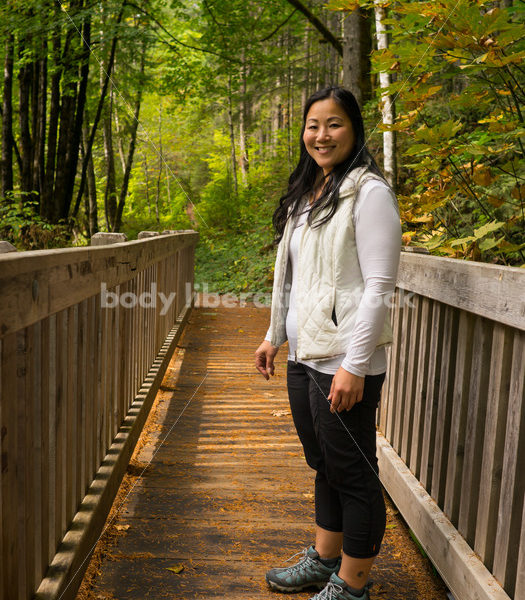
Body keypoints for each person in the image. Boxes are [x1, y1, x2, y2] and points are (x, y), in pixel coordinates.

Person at [254, 86, 402, 600]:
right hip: (305, 351)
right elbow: (294, 277)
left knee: (355, 471)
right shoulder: (310, 191)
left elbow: (380, 285)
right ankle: (324, 558)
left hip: (345, 355)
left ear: (355, 129)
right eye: (313, 125)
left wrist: (355, 365)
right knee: (325, 463)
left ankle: (353, 584)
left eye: (334, 124)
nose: (322, 135)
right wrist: (275, 334)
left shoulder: (368, 192)